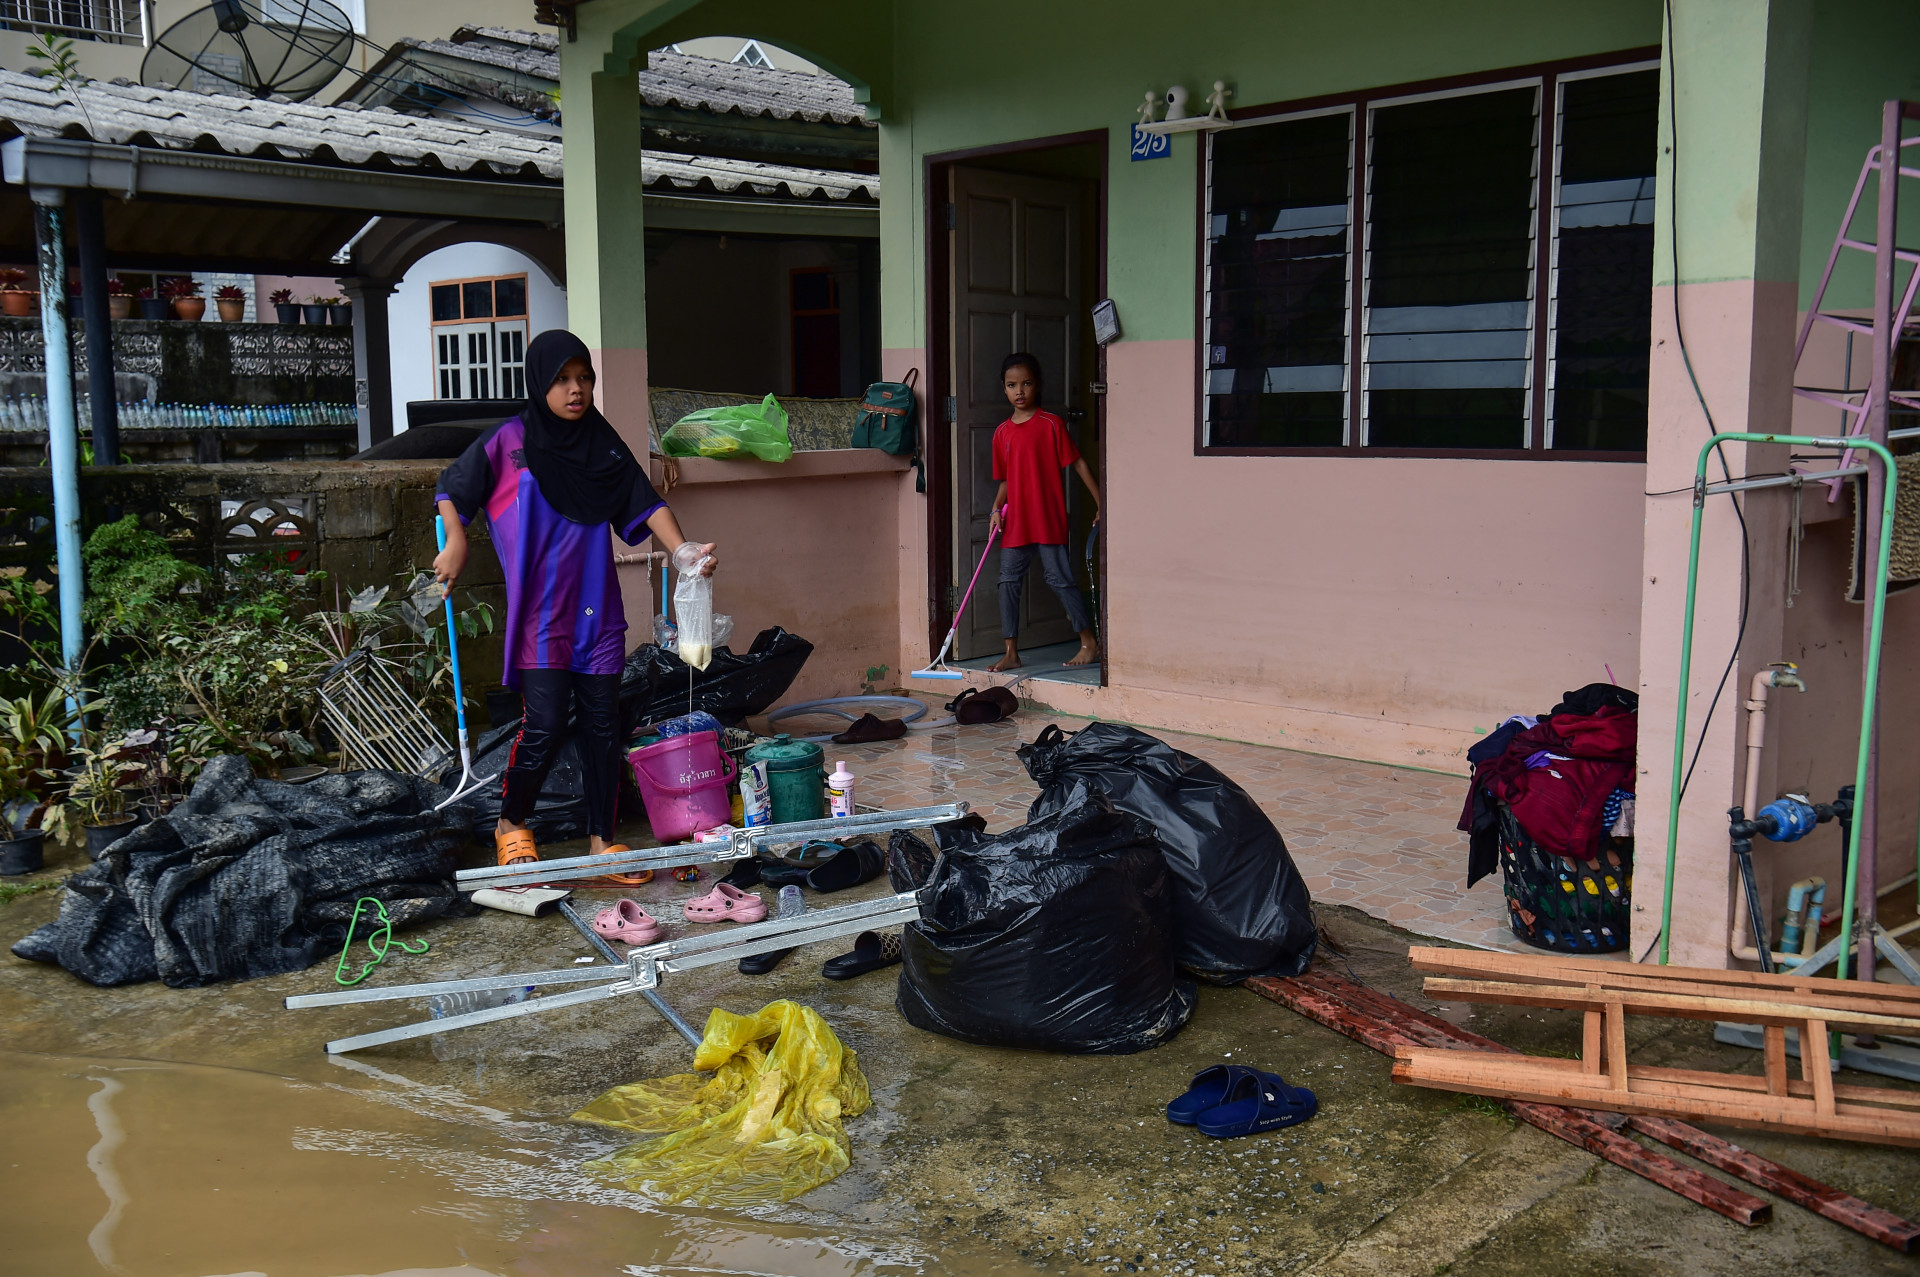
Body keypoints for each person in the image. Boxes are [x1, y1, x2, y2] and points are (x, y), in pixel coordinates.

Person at [433, 328, 715, 877]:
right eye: (562, 379)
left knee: (602, 727)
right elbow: (453, 487)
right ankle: (512, 823)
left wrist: (682, 551)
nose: (576, 389)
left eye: (584, 378)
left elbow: (644, 499)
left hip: (597, 610)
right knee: (540, 724)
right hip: (542, 614)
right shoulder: (509, 442)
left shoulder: (603, 444)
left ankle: (601, 841)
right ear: (540, 381)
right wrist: (458, 538)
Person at [988, 352, 1102, 671]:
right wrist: (995, 510)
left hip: (1047, 517)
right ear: (1004, 389)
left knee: (1060, 580)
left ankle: (1088, 641)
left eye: (1026, 383)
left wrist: (1100, 502)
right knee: (1007, 581)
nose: (1019, 391)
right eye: (1012, 385)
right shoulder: (1001, 433)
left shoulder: (1051, 424)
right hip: (1016, 522)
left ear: (1037, 386)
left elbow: (1077, 462)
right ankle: (1011, 651)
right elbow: (1006, 481)